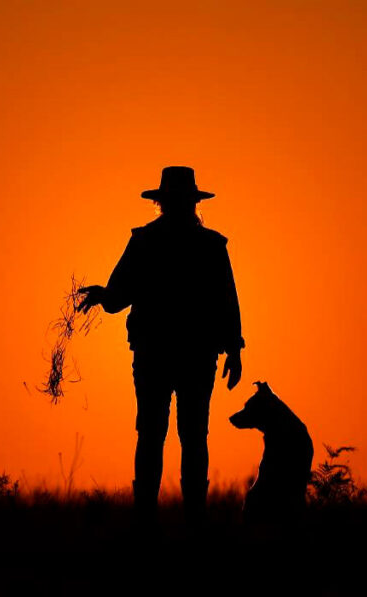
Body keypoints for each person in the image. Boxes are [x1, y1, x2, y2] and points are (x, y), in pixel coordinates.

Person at [77, 166, 245, 524]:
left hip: (155, 353)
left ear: (160, 202)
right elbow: (227, 301)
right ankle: (193, 520)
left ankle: (146, 521)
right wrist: (234, 349)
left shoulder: (145, 242)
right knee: (192, 434)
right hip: (196, 354)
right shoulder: (211, 246)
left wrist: (102, 296)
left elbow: (118, 297)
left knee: (153, 432)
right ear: (191, 202)